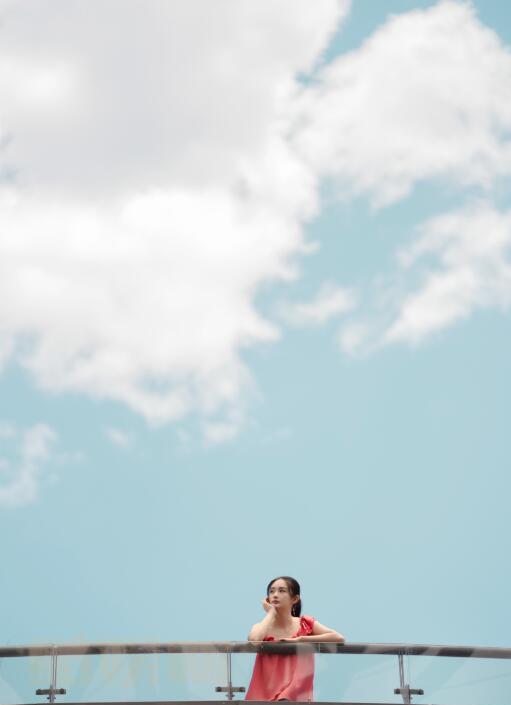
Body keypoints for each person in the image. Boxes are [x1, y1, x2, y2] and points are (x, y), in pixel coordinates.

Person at [245, 576, 345, 702]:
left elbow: (338, 637)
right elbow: (254, 640)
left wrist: (301, 639)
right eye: (272, 591)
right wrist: (271, 613)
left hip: (294, 695)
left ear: (295, 599)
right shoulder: (261, 627)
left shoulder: (304, 623)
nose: (275, 595)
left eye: (282, 591)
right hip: (265, 694)